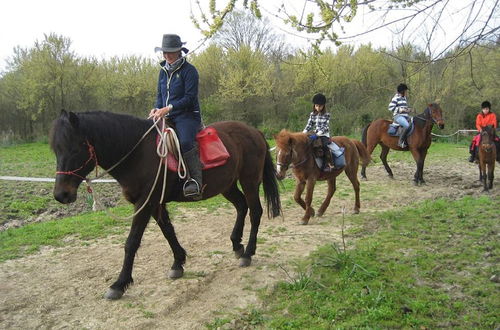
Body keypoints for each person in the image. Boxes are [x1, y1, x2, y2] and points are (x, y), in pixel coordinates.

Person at [149, 34, 203, 198]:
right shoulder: (162, 71)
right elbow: (160, 96)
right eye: (165, 52)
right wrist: (156, 109)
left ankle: (196, 182)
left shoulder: (190, 71)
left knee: (185, 141)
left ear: (179, 51)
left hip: (187, 116)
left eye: (171, 52)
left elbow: (189, 98)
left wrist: (168, 108)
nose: (167, 55)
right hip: (166, 115)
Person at [303, 93, 344, 171]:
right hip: (314, 133)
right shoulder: (312, 114)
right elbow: (309, 125)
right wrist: (303, 133)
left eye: (320, 106)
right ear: (314, 105)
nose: (318, 108)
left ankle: (328, 164)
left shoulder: (326, 115)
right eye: (316, 106)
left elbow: (325, 127)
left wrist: (318, 134)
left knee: (324, 146)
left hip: (324, 134)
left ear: (323, 106)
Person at [388, 83, 412, 148]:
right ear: (402, 91)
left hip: (405, 116)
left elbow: (404, 108)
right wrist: (401, 110)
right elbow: (390, 107)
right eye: (405, 91)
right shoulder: (396, 98)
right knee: (407, 126)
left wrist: (408, 109)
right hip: (398, 116)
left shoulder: (404, 98)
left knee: (414, 121)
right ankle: (400, 141)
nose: (406, 92)